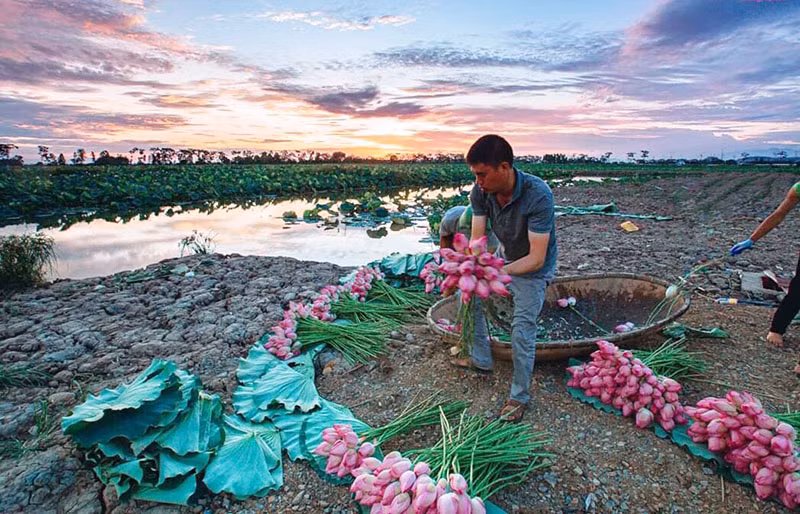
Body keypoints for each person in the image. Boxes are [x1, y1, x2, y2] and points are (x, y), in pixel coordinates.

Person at [453, 134, 558, 422]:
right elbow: (477, 240)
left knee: (522, 329)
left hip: (533, 268)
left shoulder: (538, 195)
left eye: (482, 174)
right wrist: (473, 266)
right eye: (475, 175)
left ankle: (519, 396)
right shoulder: (481, 192)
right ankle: (481, 359)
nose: (478, 181)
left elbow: (536, 258)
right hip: (504, 256)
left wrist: (496, 271)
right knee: (466, 296)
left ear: (504, 167)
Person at [731, 182, 800, 364]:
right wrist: (752, 240)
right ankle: (777, 329)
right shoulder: (798, 189)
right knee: (797, 292)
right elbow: (779, 214)